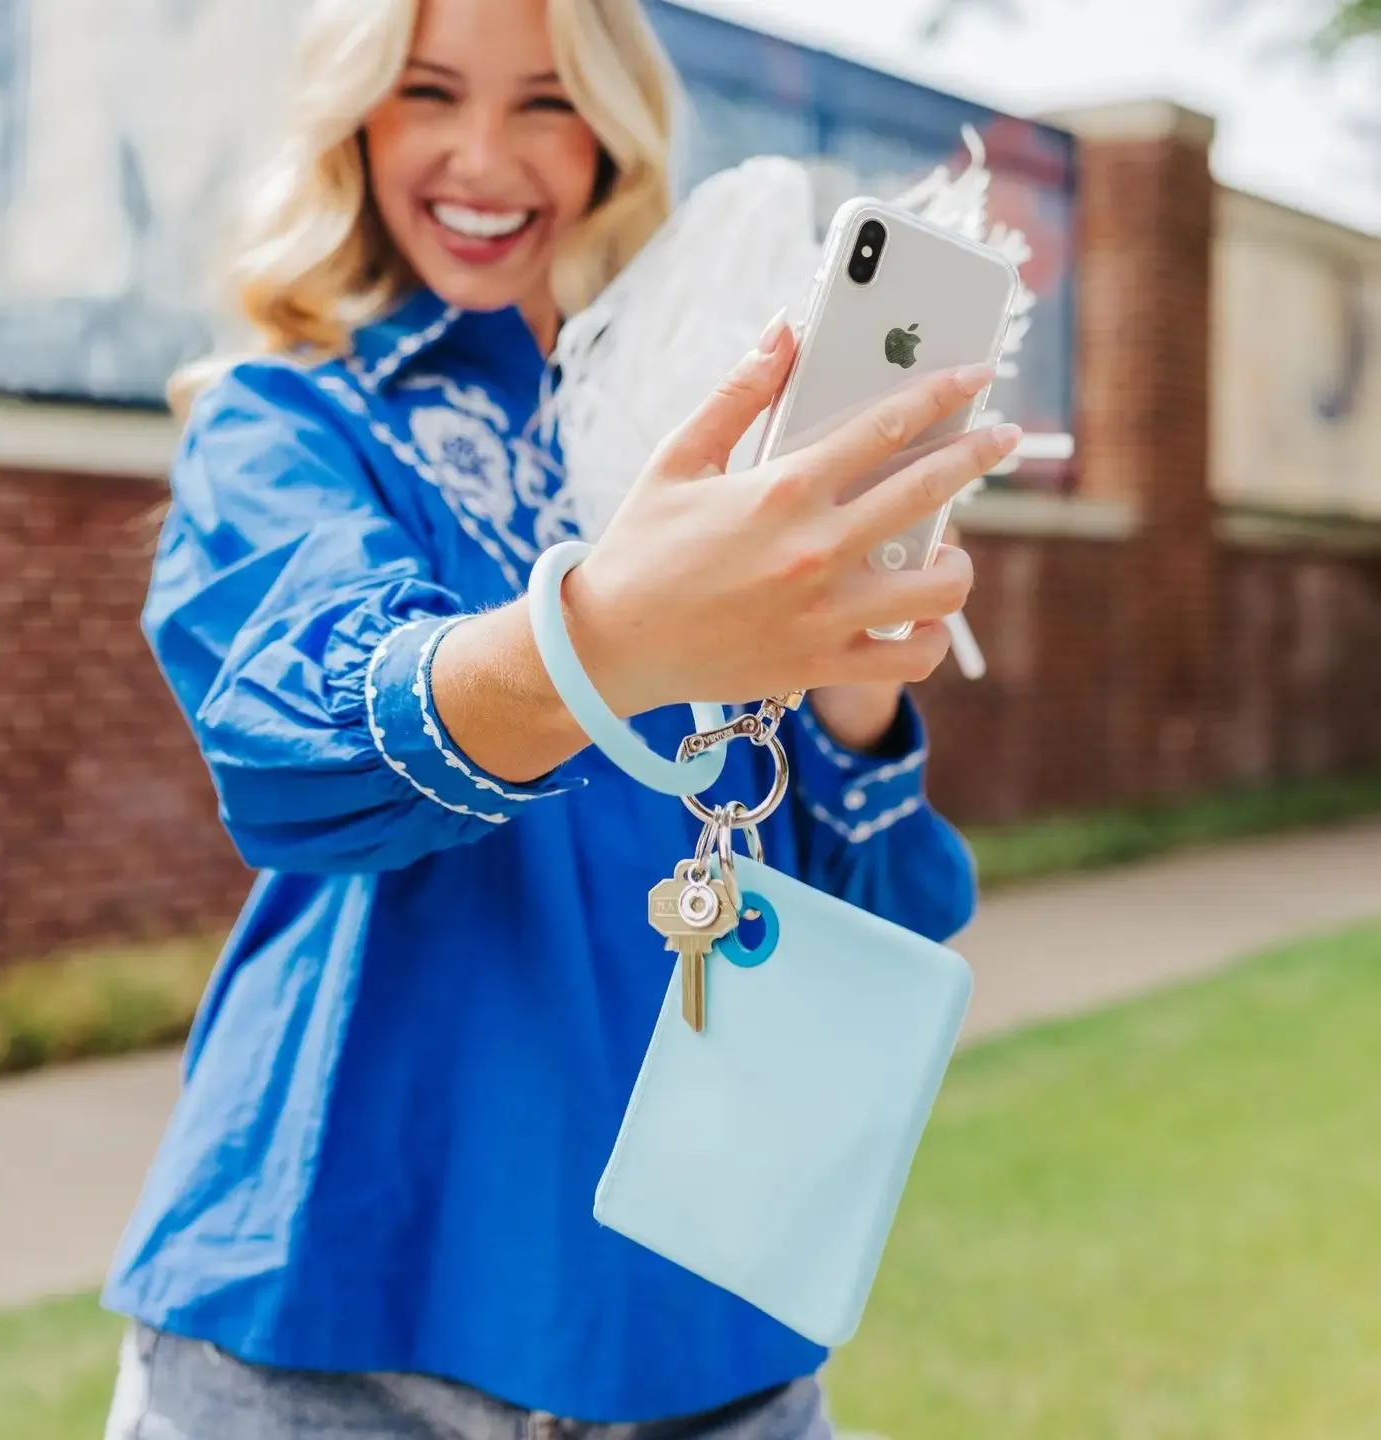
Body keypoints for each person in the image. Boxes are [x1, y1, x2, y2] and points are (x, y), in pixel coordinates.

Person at [101, 0, 1020, 1435]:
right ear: (356, 119)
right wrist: (609, 630)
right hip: (336, 1321)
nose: (485, 156)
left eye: (546, 101)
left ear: (613, 133)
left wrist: (849, 684)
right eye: (428, 93)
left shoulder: (708, 445)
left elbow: (860, 916)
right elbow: (297, 746)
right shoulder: (288, 425)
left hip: (708, 1341)